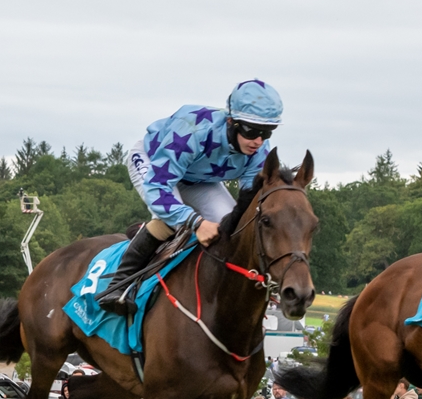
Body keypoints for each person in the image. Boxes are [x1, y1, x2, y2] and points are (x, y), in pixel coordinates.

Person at [97, 79, 283, 312]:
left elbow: (248, 205)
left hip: (199, 180)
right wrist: (196, 222)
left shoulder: (259, 152)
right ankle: (118, 285)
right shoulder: (192, 131)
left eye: (267, 132)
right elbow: (159, 189)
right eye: (251, 131)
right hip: (154, 163)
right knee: (169, 219)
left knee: (232, 229)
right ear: (231, 122)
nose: (258, 140)